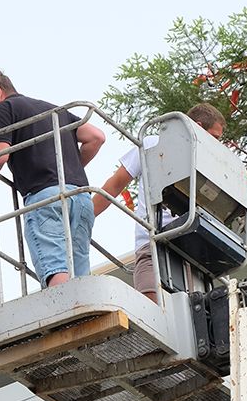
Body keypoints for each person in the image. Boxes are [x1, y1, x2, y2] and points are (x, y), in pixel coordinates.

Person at [0, 70, 105, 287]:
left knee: (56, 270)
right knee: (79, 274)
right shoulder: (53, 109)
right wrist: (63, 170)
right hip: (81, 197)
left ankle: (65, 317)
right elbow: (96, 137)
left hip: (45, 199)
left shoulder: (4, 109)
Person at [91, 103, 225, 301]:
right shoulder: (153, 144)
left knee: (195, 313)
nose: (216, 145)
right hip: (152, 243)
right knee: (152, 308)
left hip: (191, 248)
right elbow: (115, 185)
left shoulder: (207, 161)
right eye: (214, 138)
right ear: (197, 126)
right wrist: (83, 217)